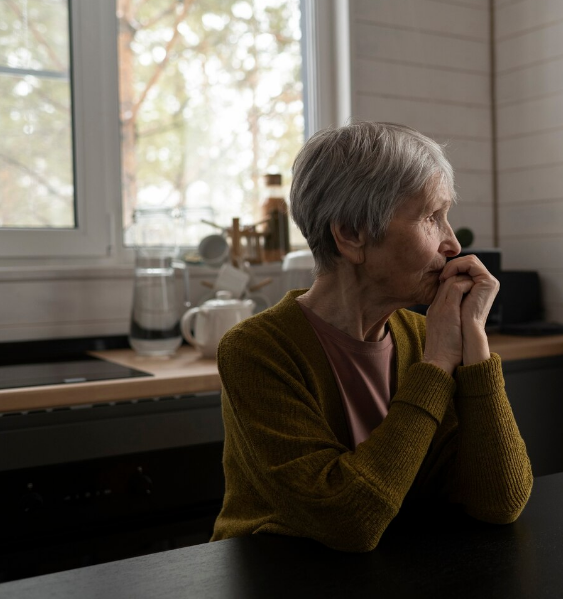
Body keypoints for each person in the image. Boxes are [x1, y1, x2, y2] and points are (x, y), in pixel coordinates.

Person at [210, 121, 533, 552]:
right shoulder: (256, 351)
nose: (453, 244)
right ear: (351, 234)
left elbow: (501, 502)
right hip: (278, 577)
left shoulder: (423, 336)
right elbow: (347, 521)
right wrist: (436, 366)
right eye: (431, 218)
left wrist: (473, 337)